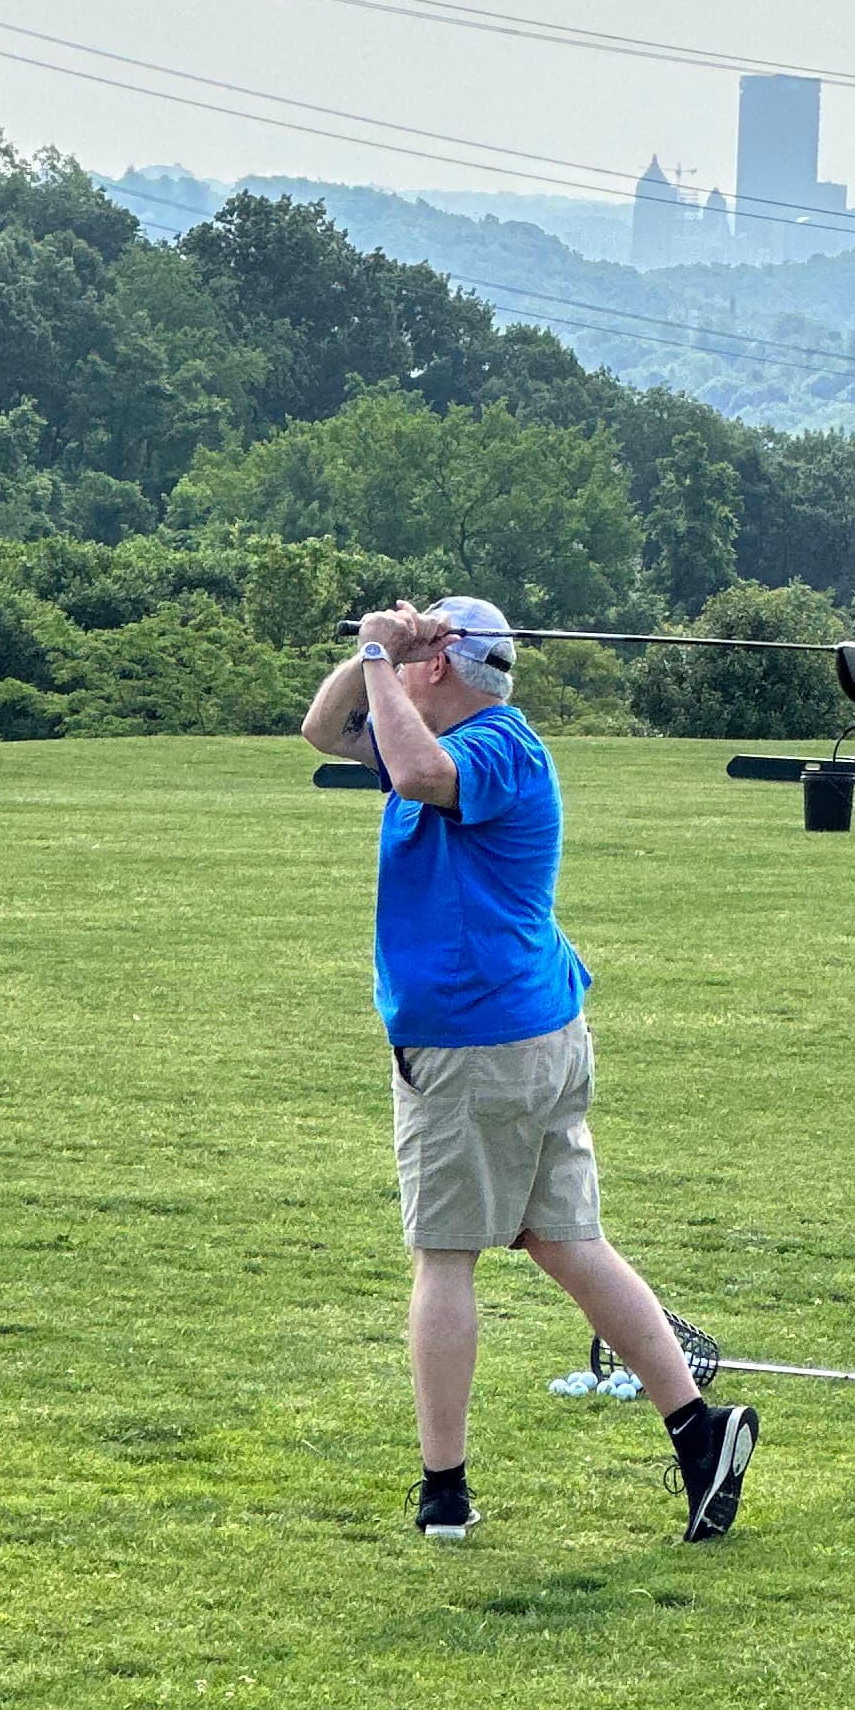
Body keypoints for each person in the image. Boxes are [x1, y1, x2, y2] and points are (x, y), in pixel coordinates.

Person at [300, 596, 758, 1542]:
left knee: (445, 1253)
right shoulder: (439, 725)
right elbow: (322, 729)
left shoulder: (498, 750)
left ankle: (444, 1493)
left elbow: (423, 772)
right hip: (531, 1029)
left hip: (477, 1044)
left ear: (440, 669)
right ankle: (699, 1433)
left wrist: (386, 658)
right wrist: (374, 654)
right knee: (565, 1238)